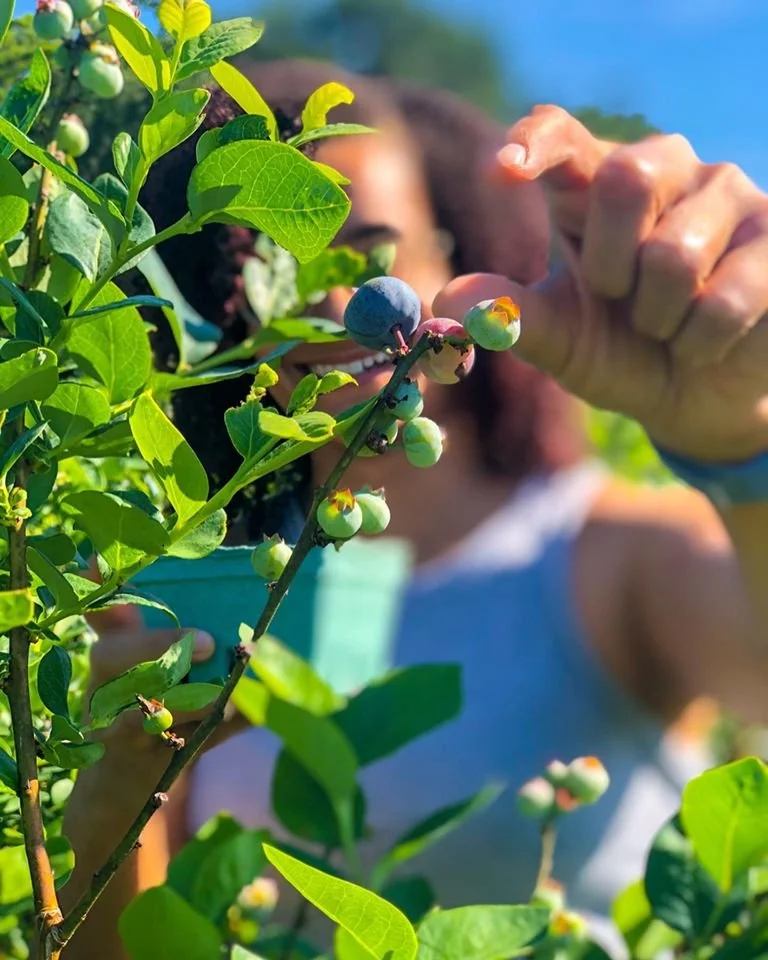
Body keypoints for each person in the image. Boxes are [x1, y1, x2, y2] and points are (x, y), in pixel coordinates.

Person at [62, 57, 768, 956]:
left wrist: (741, 450)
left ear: (452, 256)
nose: (333, 301)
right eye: (276, 265)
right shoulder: (216, 585)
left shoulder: (603, 553)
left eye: (372, 256)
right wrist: (120, 782)